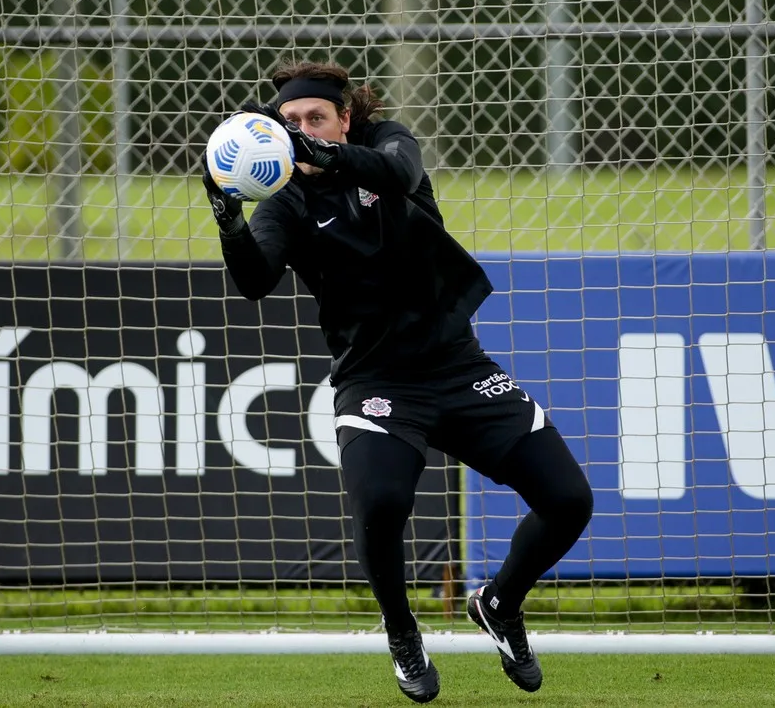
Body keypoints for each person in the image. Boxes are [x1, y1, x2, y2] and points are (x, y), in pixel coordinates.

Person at [202, 58, 594, 704]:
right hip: (374, 380)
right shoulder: (285, 201)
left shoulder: (387, 146)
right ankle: (402, 627)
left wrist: (323, 154)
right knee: (382, 503)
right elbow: (252, 280)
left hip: (456, 366)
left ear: (345, 118)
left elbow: (399, 172)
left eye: (316, 119)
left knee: (570, 501)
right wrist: (228, 220)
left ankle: (499, 603)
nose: (300, 130)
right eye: (290, 122)